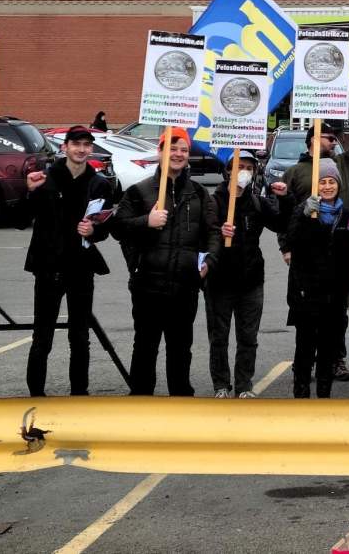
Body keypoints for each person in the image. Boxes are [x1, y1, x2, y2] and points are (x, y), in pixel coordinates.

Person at [279, 85, 349, 384]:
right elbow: (284, 217)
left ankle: (335, 359)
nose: (335, 142)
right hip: (306, 257)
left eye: (336, 138)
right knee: (306, 315)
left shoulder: (341, 163)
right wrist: (286, 247)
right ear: (312, 140)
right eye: (328, 137)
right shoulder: (294, 172)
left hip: (338, 253)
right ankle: (303, 363)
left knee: (338, 313)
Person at [111, 127, 219, 396]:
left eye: (184, 150)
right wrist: (145, 222)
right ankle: (141, 399)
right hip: (148, 283)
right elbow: (118, 227)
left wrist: (209, 262)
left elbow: (212, 232)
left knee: (181, 348)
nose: (179, 154)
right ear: (160, 152)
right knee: (145, 346)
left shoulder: (198, 193)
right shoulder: (139, 192)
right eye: (173, 148)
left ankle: (180, 400)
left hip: (185, 285)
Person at [22, 126, 115, 396]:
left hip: (81, 268)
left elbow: (105, 227)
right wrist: (29, 192)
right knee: (43, 336)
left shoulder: (99, 184)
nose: (82, 149)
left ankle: (79, 394)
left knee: (80, 336)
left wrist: (93, 231)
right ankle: (36, 394)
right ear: (65, 147)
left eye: (87, 144)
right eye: (76, 144)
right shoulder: (46, 179)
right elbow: (20, 221)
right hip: (49, 268)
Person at [207, 151, 290, 398]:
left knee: (248, 338)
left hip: (251, 281)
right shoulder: (213, 201)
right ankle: (221, 384)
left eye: (248, 168)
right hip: (219, 281)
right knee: (219, 338)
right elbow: (202, 234)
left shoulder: (256, 202)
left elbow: (281, 224)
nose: (243, 171)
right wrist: (219, 230)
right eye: (239, 166)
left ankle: (244, 385)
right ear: (228, 170)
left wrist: (285, 199)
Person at [283, 160, 349, 398]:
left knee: (328, 348)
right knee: (304, 347)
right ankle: (301, 393)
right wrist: (303, 215)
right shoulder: (305, 210)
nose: (327, 186)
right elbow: (290, 238)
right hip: (306, 292)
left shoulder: (346, 215)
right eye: (322, 182)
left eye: (331, 181)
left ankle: (324, 395)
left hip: (334, 294)